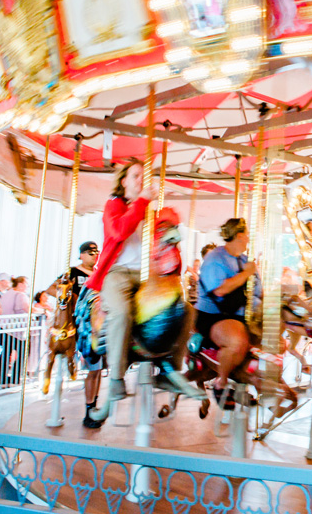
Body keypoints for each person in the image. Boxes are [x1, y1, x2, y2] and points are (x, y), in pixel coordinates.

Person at [86, 159, 190, 403]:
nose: (141, 179)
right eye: (135, 175)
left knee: (184, 310)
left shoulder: (149, 213)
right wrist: (142, 201)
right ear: (123, 181)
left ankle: (170, 369)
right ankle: (116, 378)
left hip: (146, 277)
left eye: (144, 175)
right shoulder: (113, 205)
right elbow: (119, 231)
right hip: (118, 273)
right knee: (121, 312)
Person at [196, 218, 260, 406]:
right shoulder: (215, 258)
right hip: (215, 315)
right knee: (236, 340)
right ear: (239, 236)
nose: (248, 239)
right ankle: (221, 384)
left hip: (241, 314)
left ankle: (254, 381)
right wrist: (246, 274)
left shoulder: (244, 260)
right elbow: (220, 290)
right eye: (247, 235)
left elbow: (257, 291)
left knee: (274, 340)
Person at [67, 241, 105, 428]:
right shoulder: (73, 274)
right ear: (81, 255)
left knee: (97, 369)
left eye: (96, 253)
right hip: (82, 325)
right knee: (93, 369)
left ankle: (93, 407)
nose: (94, 256)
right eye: (90, 253)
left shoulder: (100, 273)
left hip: (97, 325)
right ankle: (89, 409)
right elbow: (56, 289)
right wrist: (73, 303)